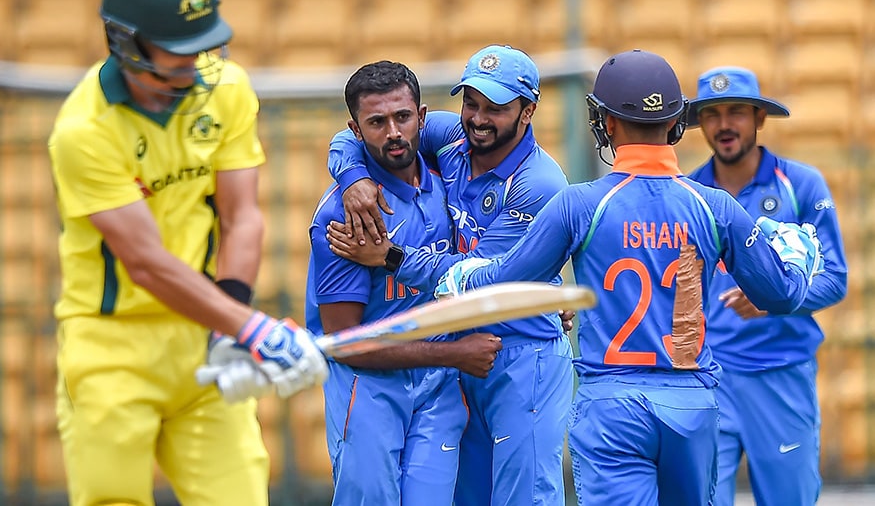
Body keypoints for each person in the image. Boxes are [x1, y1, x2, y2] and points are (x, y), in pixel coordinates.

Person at [434, 49, 824, 506]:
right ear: (677, 123)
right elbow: (782, 297)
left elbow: (503, 284)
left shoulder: (579, 204)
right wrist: (799, 252)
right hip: (692, 405)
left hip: (611, 407)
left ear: (607, 122)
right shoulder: (714, 206)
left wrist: (455, 278)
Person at [47, 0, 327, 506]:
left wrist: (230, 321)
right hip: (110, 347)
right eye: (178, 52)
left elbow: (241, 215)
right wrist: (250, 327)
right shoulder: (83, 131)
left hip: (202, 332)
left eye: (204, 46)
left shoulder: (226, 89)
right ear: (127, 42)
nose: (195, 64)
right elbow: (146, 264)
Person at [324, 45, 573, 505]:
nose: (478, 118)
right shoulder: (450, 136)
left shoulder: (538, 184)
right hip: (458, 358)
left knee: (525, 497)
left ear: (528, 111)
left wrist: (392, 258)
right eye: (470, 102)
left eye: (495, 108)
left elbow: (483, 283)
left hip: (521, 355)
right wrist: (352, 177)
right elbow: (357, 132)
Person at [305, 60, 502, 504]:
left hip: (438, 390)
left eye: (402, 117)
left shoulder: (448, 180)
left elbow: (491, 264)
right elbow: (345, 342)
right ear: (356, 130)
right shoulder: (345, 215)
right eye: (377, 122)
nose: (393, 132)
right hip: (369, 390)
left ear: (423, 118)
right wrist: (454, 353)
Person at [686, 66, 848, 506]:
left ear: (759, 118)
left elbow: (834, 279)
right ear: (699, 123)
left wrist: (774, 299)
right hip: (707, 379)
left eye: (736, 111)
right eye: (712, 113)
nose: (723, 124)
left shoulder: (800, 185)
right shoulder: (689, 194)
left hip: (780, 374)